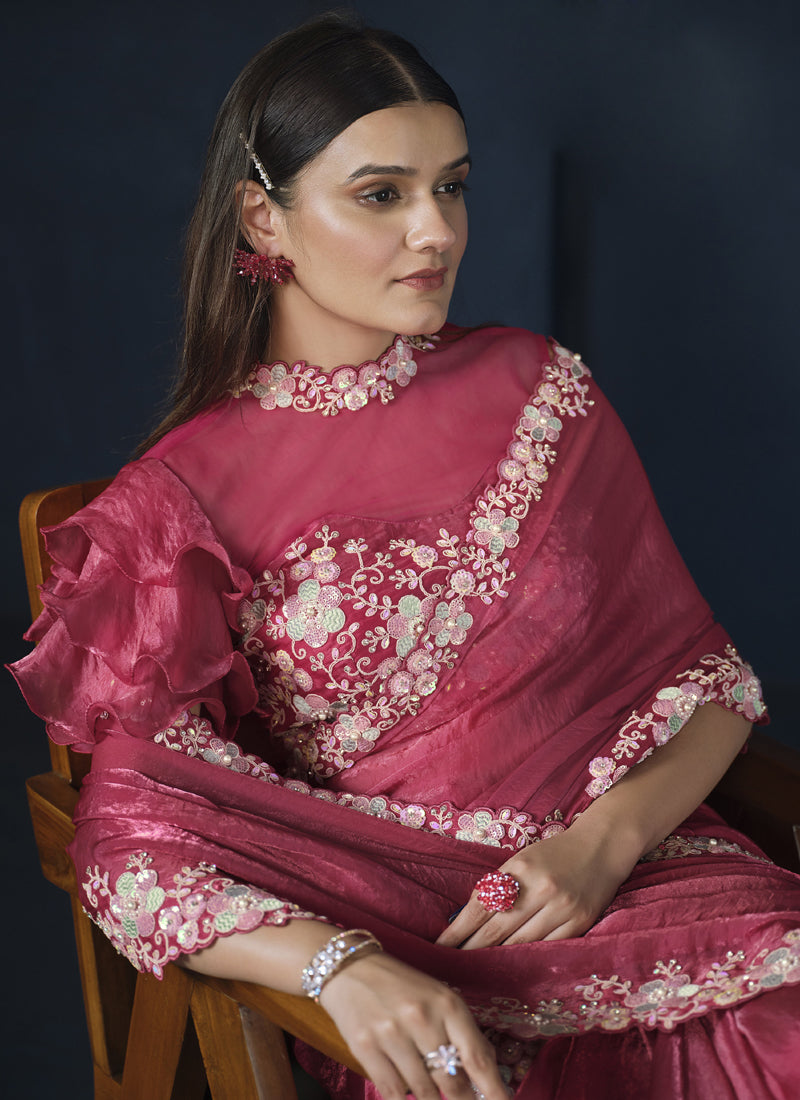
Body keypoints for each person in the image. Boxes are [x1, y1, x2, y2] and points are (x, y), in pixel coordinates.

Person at [10, 13, 800, 1100]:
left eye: (452, 187)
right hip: (425, 956)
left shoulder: (539, 392)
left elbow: (704, 690)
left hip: (663, 889)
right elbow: (134, 831)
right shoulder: (175, 509)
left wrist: (600, 847)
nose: (436, 232)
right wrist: (337, 969)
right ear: (263, 216)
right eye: (382, 194)